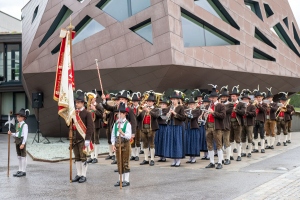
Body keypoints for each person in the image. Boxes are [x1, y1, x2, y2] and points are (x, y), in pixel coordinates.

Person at [71, 90, 94, 183]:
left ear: (83, 103)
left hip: (83, 138)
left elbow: (90, 127)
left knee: (83, 157)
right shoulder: (74, 113)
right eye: (76, 102)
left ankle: (84, 175)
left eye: (78, 102)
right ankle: (78, 174)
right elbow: (70, 126)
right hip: (75, 138)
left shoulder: (87, 113)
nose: (77, 104)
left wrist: (88, 139)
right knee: (77, 158)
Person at [205, 85, 226, 169]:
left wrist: (213, 112)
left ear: (216, 98)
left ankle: (220, 162)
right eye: (211, 98)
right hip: (208, 126)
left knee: (218, 145)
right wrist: (204, 115)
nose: (212, 99)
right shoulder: (208, 106)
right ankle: (212, 162)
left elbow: (223, 116)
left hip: (216, 127)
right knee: (209, 145)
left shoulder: (221, 106)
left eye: (213, 98)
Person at [163, 90, 186, 167]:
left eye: (175, 99)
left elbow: (183, 118)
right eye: (172, 99)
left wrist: (175, 113)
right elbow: (165, 116)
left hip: (178, 127)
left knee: (177, 143)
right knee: (172, 143)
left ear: (178, 100)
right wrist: (168, 114)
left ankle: (178, 160)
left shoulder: (180, 107)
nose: (173, 101)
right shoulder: (170, 107)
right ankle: (173, 159)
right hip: (171, 126)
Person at [111, 102, 132, 187]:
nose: (118, 115)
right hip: (117, 144)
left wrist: (122, 133)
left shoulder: (128, 124)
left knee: (125, 162)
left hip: (125, 144)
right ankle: (120, 179)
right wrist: (113, 144)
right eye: (118, 113)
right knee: (119, 162)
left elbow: (129, 136)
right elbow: (113, 135)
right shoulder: (116, 124)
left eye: (120, 113)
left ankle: (126, 180)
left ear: (124, 114)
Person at [138, 91, 160, 166]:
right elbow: (138, 118)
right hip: (143, 128)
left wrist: (149, 111)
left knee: (151, 144)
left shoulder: (156, 109)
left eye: (150, 102)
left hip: (151, 128)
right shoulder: (143, 109)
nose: (149, 103)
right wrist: (139, 111)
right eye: (148, 101)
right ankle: (146, 159)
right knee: (145, 144)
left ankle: (152, 159)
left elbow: (156, 116)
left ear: (153, 102)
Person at [8, 108, 30, 177]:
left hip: (21, 140)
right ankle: (20, 169)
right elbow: (17, 134)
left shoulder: (25, 125)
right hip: (17, 140)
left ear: (23, 118)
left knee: (23, 156)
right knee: (19, 156)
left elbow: (25, 135)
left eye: (19, 117)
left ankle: (23, 171)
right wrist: (11, 134)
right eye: (17, 117)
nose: (17, 118)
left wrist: (23, 143)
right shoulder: (18, 125)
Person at [229, 85, 246, 161]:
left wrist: (235, 110)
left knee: (238, 139)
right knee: (231, 139)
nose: (232, 97)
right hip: (230, 123)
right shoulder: (229, 104)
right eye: (232, 96)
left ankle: (239, 155)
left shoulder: (241, 104)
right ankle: (231, 155)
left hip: (238, 123)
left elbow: (243, 112)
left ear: (237, 96)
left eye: (234, 96)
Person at [86, 90, 103, 164]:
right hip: (90, 125)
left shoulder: (98, 105)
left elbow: (101, 115)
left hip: (96, 125)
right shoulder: (88, 106)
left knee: (96, 140)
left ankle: (96, 157)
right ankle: (92, 156)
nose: (91, 100)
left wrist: (95, 109)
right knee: (91, 140)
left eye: (92, 98)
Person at [219, 86, 234, 165]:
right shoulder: (219, 104)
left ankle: (228, 158)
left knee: (226, 142)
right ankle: (221, 158)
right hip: (219, 126)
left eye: (224, 97)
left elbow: (225, 111)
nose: (223, 98)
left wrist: (219, 106)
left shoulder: (230, 105)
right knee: (219, 143)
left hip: (226, 125)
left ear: (227, 98)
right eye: (222, 97)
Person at [184, 96, 201, 163]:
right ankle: (190, 157)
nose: (191, 105)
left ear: (195, 105)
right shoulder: (187, 110)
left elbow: (192, 117)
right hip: (188, 127)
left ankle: (193, 157)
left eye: (192, 104)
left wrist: (186, 114)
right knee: (188, 142)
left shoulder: (197, 110)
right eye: (190, 104)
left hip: (194, 127)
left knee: (193, 142)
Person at [240, 90, 256, 158]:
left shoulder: (252, 106)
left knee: (249, 138)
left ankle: (249, 152)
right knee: (243, 138)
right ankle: (243, 151)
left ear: (248, 100)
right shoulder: (241, 106)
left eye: (246, 99)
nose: (245, 100)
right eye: (244, 99)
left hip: (249, 123)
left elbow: (254, 114)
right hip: (242, 123)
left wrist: (247, 113)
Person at [252, 88, 267, 153]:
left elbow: (263, 110)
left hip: (261, 120)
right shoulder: (253, 104)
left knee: (262, 134)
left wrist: (258, 104)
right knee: (255, 135)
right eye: (257, 97)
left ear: (262, 97)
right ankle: (256, 148)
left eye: (259, 97)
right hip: (255, 120)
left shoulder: (264, 104)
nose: (258, 98)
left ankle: (262, 148)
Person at [155, 96, 170, 162]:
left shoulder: (168, 110)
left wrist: (160, 114)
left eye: (164, 104)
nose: (162, 105)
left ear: (166, 105)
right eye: (161, 104)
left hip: (164, 126)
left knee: (164, 141)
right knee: (159, 141)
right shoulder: (158, 110)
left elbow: (165, 118)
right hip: (158, 126)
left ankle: (164, 156)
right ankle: (160, 155)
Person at [130, 92, 142, 161]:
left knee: (138, 140)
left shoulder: (140, 108)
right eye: (134, 101)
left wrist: (140, 113)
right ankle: (133, 155)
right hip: (132, 126)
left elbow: (141, 118)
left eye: (136, 101)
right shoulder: (131, 108)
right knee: (132, 141)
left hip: (138, 126)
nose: (135, 103)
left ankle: (137, 155)